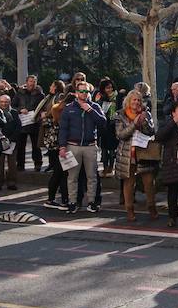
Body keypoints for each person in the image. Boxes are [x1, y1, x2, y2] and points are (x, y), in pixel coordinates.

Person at [59, 82, 107, 213]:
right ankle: (72, 202)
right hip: (72, 146)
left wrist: (89, 110)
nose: (84, 94)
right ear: (76, 93)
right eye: (81, 91)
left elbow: (103, 122)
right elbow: (63, 129)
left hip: (90, 146)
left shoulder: (94, 106)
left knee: (92, 176)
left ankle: (92, 202)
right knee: (72, 177)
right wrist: (62, 147)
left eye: (86, 92)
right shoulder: (69, 108)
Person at [114, 89, 159, 224]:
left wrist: (143, 121)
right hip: (127, 153)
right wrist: (134, 124)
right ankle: (129, 210)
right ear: (128, 101)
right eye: (134, 99)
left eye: (138, 100)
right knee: (129, 183)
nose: (136, 102)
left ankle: (151, 206)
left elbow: (151, 131)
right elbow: (121, 135)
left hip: (144, 152)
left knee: (149, 182)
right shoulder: (120, 115)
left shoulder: (146, 113)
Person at [40, 93, 69, 208]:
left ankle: (52, 198)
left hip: (54, 147)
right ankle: (62, 200)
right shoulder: (58, 114)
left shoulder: (52, 114)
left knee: (59, 174)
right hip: (59, 147)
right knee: (61, 174)